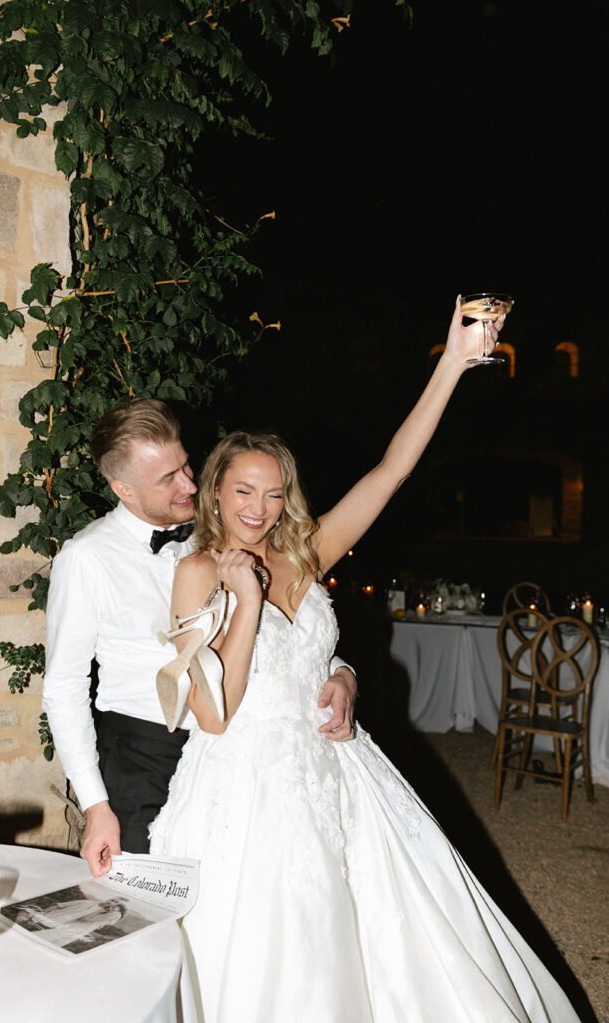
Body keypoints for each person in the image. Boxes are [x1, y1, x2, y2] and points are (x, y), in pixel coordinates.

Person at [148, 299, 581, 1023]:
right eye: (243, 491)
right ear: (215, 490)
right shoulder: (197, 571)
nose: (257, 508)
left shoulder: (305, 552)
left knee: (393, 930)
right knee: (281, 942)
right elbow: (212, 718)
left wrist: (450, 363)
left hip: (334, 767)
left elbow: (393, 469)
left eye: (273, 493)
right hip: (247, 785)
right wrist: (247, 603)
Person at [42, 399, 357, 876]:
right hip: (145, 755)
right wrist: (95, 806)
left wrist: (341, 671)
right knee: (145, 912)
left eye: (186, 466)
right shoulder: (86, 559)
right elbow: (63, 690)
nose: (188, 484)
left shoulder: (218, 528)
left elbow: (279, 635)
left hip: (232, 756)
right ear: (122, 488)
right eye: (167, 478)